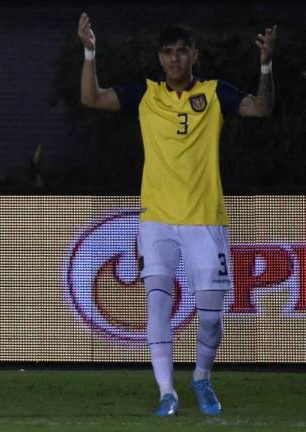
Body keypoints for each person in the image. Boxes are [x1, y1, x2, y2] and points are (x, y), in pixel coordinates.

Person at [77, 13, 275, 416]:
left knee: (210, 314)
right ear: (160, 58)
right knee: (156, 305)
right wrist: (89, 52)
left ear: (194, 55)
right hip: (158, 220)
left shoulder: (216, 93)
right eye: (167, 53)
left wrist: (266, 66)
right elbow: (92, 98)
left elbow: (260, 109)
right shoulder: (146, 94)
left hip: (204, 219)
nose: (174, 60)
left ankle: (202, 377)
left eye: (181, 52)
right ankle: (167, 392)